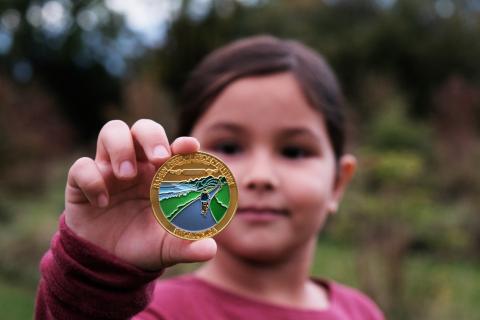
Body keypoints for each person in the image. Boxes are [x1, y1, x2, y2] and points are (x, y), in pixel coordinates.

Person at [35, 35, 385, 319]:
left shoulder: (362, 312)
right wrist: (92, 276)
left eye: (293, 151)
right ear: (180, 163)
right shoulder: (153, 314)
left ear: (338, 183)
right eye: (229, 146)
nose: (260, 177)